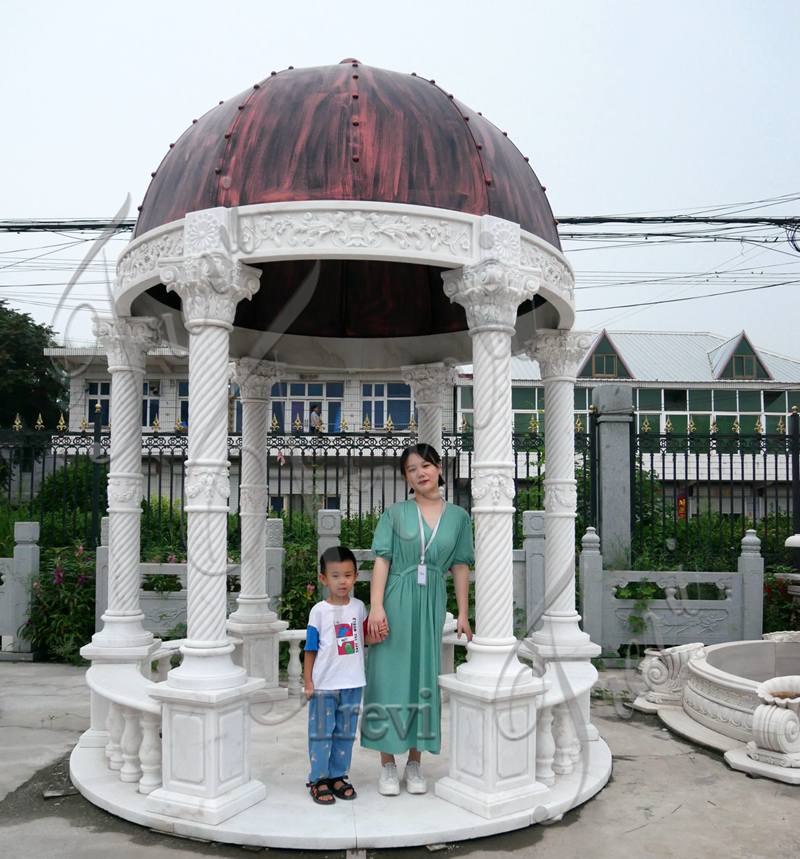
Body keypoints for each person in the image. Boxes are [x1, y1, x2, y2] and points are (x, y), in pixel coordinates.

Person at [362, 443, 473, 796]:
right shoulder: (395, 514)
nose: (421, 473)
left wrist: (465, 615)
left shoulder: (458, 517)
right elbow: (382, 560)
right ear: (406, 477)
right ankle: (387, 765)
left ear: (439, 468)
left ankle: (414, 761)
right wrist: (376, 607)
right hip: (395, 598)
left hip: (431, 602)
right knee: (388, 677)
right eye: (412, 469)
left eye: (426, 465)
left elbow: (460, 566)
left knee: (422, 677)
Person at [303, 545, 367, 805]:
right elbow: (310, 648)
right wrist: (308, 681)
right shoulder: (318, 611)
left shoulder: (360, 607)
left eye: (348, 575)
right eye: (336, 575)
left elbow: (366, 638)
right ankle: (319, 779)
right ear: (324, 579)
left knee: (345, 733)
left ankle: (338, 775)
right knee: (321, 732)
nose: (343, 581)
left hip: (353, 682)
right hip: (324, 685)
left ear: (356, 576)